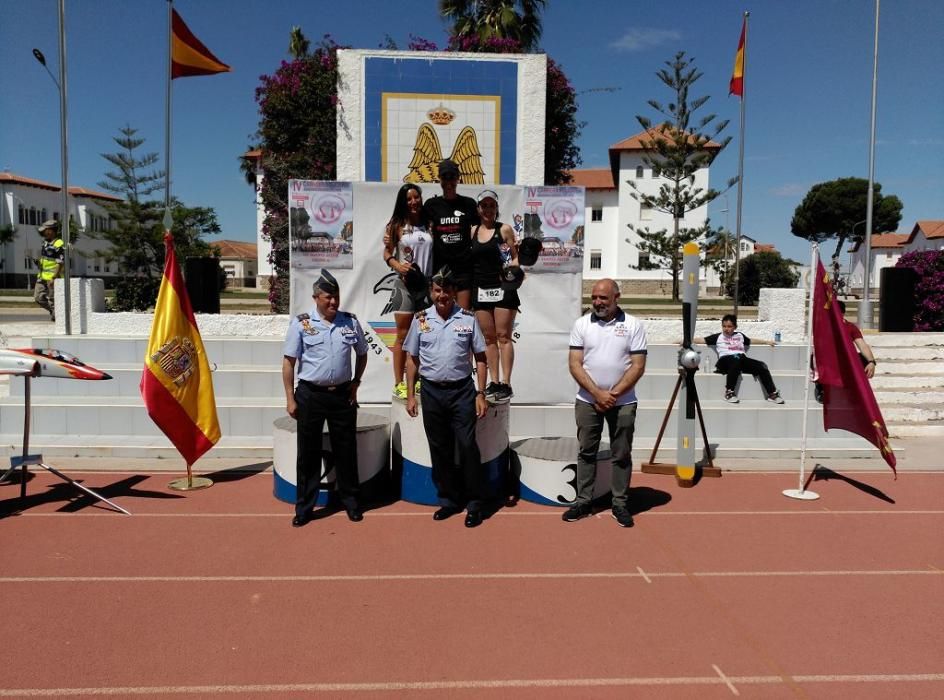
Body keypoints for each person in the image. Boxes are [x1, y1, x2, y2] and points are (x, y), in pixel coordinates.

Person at [403, 265, 489, 528]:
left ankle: (474, 503)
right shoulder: (420, 320)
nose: (442, 295)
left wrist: (481, 392)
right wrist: (410, 394)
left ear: (453, 293)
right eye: (437, 290)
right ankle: (449, 500)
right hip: (431, 392)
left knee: (466, 446)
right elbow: (412, 360)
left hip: (462, 391)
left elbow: (481, 358)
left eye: (446, 291)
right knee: (439, 449)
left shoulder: (467, 318)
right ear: (431, 292)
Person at [282, 269, 368, 528]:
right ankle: (305, 508)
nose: (333, 302)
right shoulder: (301, 323)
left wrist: (356, 383)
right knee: (307, 454)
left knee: (346, 451)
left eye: (336, 297)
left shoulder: (350, 322)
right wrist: (290, 398)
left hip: (342, 396)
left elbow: (362, 353)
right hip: (310, 395)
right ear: (316, 297)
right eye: (328, 297)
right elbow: (289, 363)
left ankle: (351, 503)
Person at [564, 279, 647, 528]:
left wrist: (613, 395)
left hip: (623, 402)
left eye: (604, 298)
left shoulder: (633, 325)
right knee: (586, 452)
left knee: (621, 454)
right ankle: (583, 501)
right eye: (595, 298)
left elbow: (638, 365)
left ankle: (619, 503)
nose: (598, 302)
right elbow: (574, 364)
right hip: (587, 401)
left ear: (616, 297)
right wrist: (597, 394)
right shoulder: (581, 324)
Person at [382, 183, 434, 399]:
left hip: (427, 285)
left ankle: (420, 379)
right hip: (404, 286)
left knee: (424, 333)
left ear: (421, 199)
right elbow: (386, 253)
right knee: (402, 336)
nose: (413, 202)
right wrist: (397, 265)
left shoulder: (430, 223)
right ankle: (399, 383)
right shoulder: (396, 225)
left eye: (416, 198)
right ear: (404, 202)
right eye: (409, 199)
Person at [470, 189, 520, 402]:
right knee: (489, 339)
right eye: (484, 206)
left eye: (492, 205)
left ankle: (507, 383)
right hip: (480, 290)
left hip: (503, 290)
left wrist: (510, 274)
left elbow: (516, 259)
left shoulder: (505, 229)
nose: (488, 209)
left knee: (503, 337)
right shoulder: (472, 231)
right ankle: (495, 381)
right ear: (479, 209)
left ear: (497, 208)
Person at [423, 158, 479, 311]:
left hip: (463, 269)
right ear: (439, 179)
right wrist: (392, 232)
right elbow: (414, 225)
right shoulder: (431, 205)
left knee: (463, 315)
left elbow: (483, 230)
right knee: (440, 314)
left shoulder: (469, 204)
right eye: (445, 177)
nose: (449, 181)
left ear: (458, 178)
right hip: (440, 268)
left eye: (452, 176)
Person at [695, 314, 784, 404]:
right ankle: (729, 393)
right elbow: (701, 340)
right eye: (724, 326)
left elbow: (750, 340)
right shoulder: (718, 337)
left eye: (729, 326)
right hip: (725, 361)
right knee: (735, 359)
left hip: (740, 360)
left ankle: (772, 394)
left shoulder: (740, 335)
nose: (726, 329)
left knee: (762, 365)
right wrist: (684, 341)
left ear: (735, 327)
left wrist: (766, 342)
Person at [814, 299, 877, 402]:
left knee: (863, 359)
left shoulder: (850, 327)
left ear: (842, 313)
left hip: (844, 360)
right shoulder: (825, 326)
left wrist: (871, 362)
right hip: (828, 360)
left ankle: (854, 389)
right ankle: (822, 388)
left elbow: (862, 345)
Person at [34, 219, 64, 321]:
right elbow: (46, 259)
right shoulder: (45, 243)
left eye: (45, 230)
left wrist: (54, 278)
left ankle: (57, 319)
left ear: (51, 231)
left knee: (53, 300)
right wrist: (39, 262)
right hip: (41, 276)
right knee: (38, 298)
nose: (43, 233)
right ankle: (54, 312)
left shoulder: (59, 244)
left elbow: (60, 262)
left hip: (53, 278)